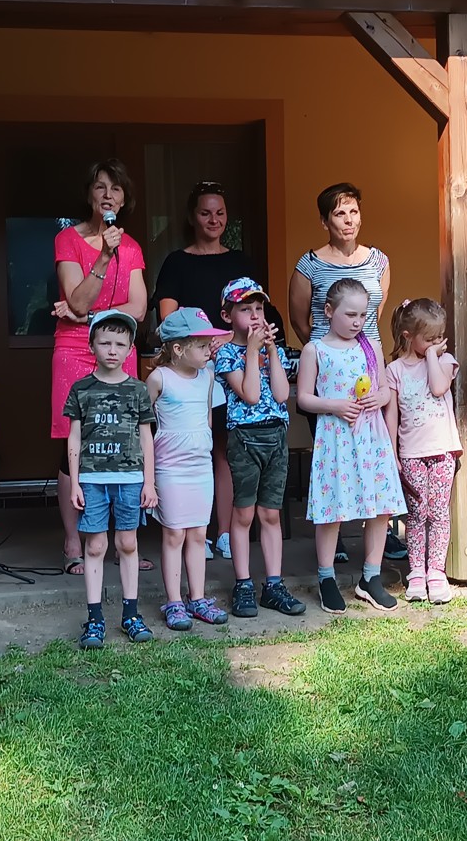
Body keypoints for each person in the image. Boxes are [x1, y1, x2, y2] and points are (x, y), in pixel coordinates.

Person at [153, 180, 284, 561]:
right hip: (190, 365)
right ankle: (192, 531)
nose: (214, 219)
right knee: (195, 445)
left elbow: (264, 315)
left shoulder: (240, 261)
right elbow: (167, 320)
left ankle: (225, 532)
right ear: (192, 217)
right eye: (205, 212)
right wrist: (203, 342)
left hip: (236, 361)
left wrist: (226, 340)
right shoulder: (177, 262)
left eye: (220, 213)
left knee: (227, 449)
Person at [287, 182, 403, 563]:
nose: (348, 220)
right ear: (325, 221)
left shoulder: (378, 261)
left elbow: (375, 314)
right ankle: (332, 534)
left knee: (374, 452)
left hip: (368, 362)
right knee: (334, 457)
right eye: (339, 213)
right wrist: (326, 352)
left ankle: (379, 531)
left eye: (353, 211)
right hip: (328, 371)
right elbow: (299, 320)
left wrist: (361, 350)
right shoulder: (309, 265)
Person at [50, 158, 151, 576]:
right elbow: (75, 298)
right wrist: (105, 258)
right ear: (89, 195)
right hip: (74, 352)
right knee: (75, 441)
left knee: (122, 440)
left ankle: (123, 541)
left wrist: (89, 317)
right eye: (100, 187)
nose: (108, 195)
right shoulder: (67, 239)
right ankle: (74, 540)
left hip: (120, 349)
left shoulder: (134, 247)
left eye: (116, 189)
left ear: (124, 200)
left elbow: (139, 309)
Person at [296, 278, 404, 613]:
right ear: (329, 311)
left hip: (371, 436)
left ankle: (370, 576)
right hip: (336, 438)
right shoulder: (315, 350)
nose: (358, 322)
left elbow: (384, 390)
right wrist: (334, 406)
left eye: (363, 315)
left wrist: (379, 398)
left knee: (380, 506)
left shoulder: (370, 346)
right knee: (332, 508)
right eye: (351, 314)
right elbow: (303, 398)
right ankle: (326, 577)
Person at [214, 277, 307, 618]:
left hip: (275, 438)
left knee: (270, 514)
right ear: (227, 316)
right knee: (244, 514)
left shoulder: (274, 351)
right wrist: (252, 352)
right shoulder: (227, 354)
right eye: (245, 309)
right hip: (245, 438)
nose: (255, 316)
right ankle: (242, 584)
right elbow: (251, 394)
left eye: (259, 308)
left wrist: (270, 351)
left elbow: (281, 394)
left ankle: (273, 585)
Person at [65, 310, 157, 648]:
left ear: (130, 349)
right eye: (105, 343)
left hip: (130, 479)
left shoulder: (138, 390)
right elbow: (74, 438)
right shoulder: (81, 389)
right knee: (95, 545)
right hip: (92, 479)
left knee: (128, 543)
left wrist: (149, 482)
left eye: (120, 344)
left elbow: (146, 438)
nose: (112, 350)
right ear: (92, 345)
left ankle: (131, 614)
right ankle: (94, 618)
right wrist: (75, 482)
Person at [147, 307, 231, 630]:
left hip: (200, 468)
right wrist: (148, 476)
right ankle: (174, 601)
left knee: (198, 533)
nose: (209, 350)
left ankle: (197, 598)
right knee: (174, 534)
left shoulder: (207, 376)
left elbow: (206, 419)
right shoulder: (159, 378)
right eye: (202, 345)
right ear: (178, 348)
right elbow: (144, 425)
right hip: (170, 470)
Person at [385, 298, 461, 605]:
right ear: (407, 335)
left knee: (439, 512)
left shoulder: (445, 361)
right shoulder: (394, 370)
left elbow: (439, 387)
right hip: (411, 452)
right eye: (429, 339)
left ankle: (436, 572)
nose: (436, 343)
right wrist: (392, 453)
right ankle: (416, 571)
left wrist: (431, 354)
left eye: (439, 336)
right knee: (416, 514)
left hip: (442, 449)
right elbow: (392, 414)